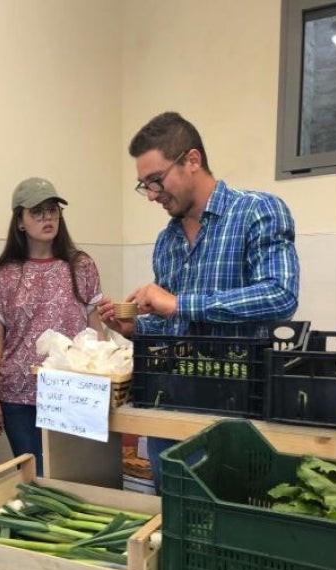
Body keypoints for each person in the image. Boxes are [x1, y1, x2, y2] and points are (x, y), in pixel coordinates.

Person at [99, 111, 301, 491]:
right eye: (145, 186)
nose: (153, 195)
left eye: (156, 181)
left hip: (239, 412)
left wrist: (179, 303)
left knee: (232, 520)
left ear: (192, 160)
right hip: (172, 405)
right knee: (172, 516)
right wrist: (135, 328)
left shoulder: (257, 211)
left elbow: (280, 294)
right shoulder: (166, 241)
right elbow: (174, 326)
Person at [0, 178, 105, 477]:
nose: (47, 217)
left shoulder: (82, 266)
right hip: (19, 396)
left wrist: (103, 384)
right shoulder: (4, 275)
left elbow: (96, 330)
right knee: (35, 479)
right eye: (37, 211)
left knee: (74, 479)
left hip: (73, 393)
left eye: (52, 210)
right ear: (20, 221)